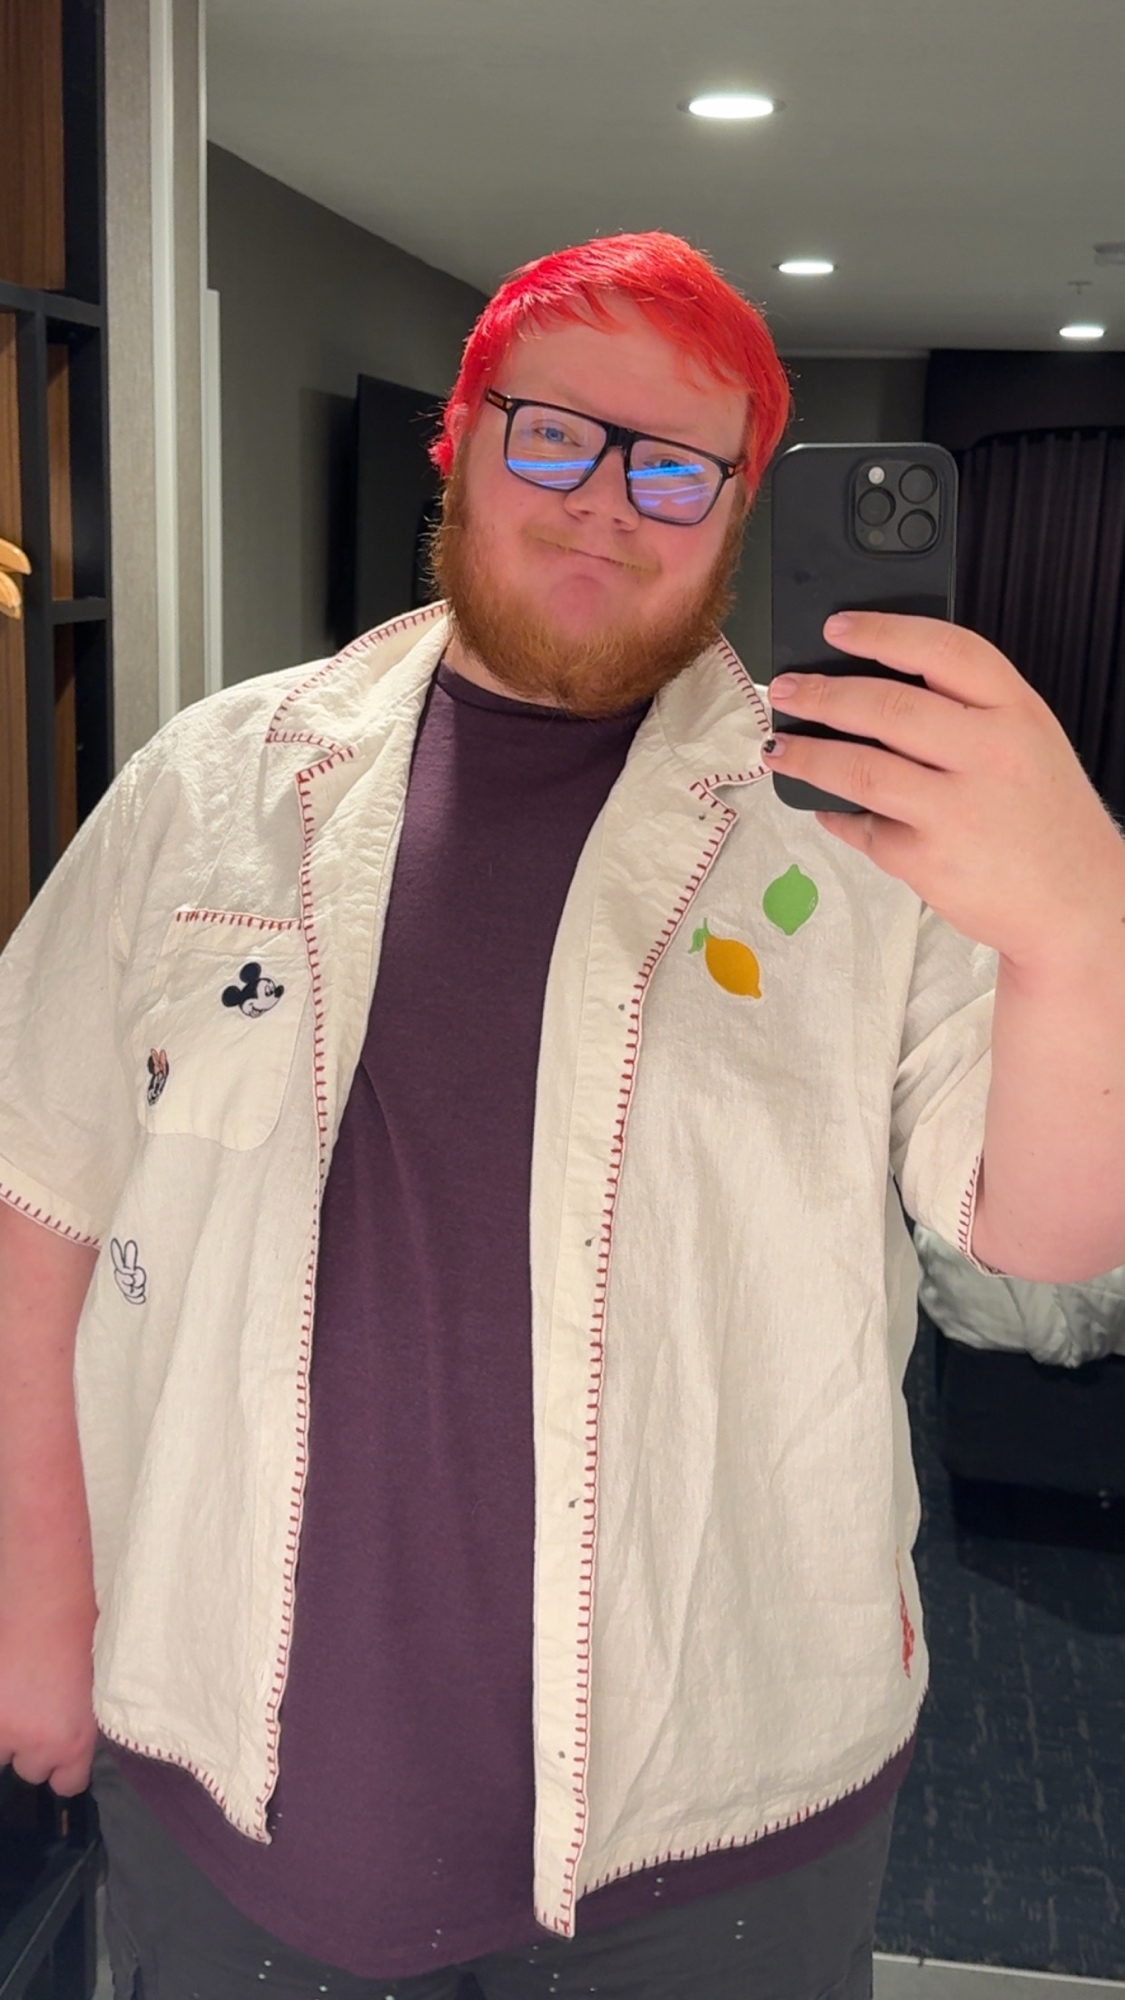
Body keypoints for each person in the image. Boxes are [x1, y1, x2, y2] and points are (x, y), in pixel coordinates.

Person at [1, 232, 1123, 2000]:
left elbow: (1044, 1238)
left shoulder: (864, 834)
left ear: (737, 510)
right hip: (234, 1774)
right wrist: (37, 1610)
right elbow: (39, 1200)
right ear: (458, 437)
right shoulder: (211, 788)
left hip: (723, 1805)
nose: (607, 500)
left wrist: (1082, 924)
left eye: (675, 466)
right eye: (554, 435)